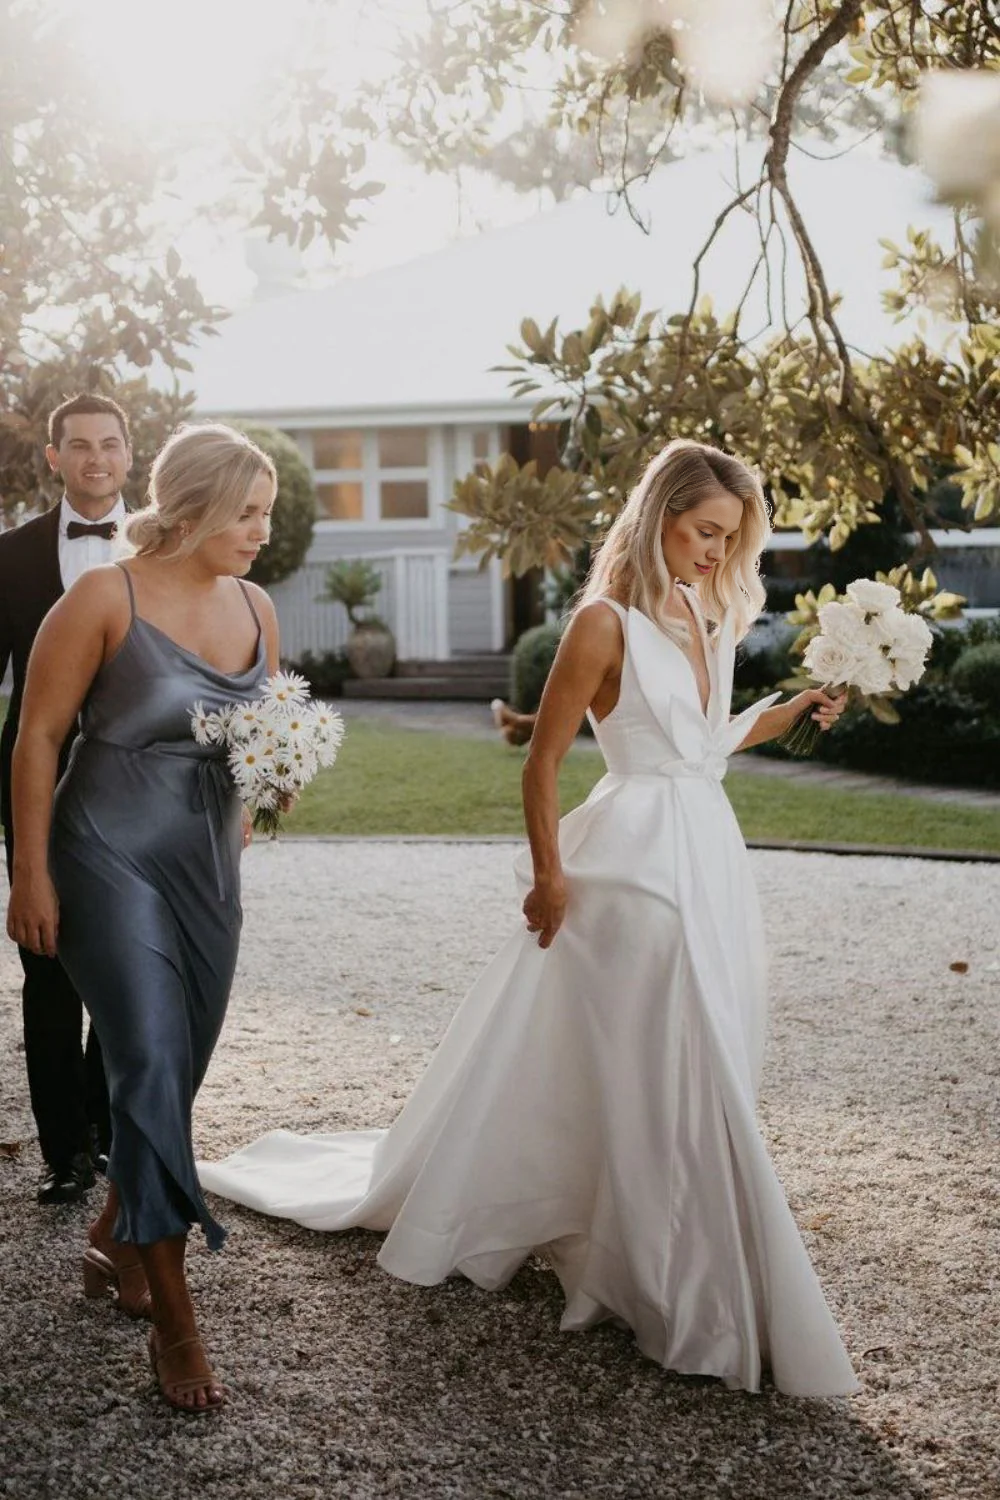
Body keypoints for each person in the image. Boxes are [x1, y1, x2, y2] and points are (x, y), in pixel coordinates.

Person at [200, 438, 858, 1396]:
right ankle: (683, 1280)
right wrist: (550, 877)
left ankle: (643, 1239)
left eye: (731, 538)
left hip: (709, 849)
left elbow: (709, 742)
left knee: (691, 1041)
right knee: (683, 1050)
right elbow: (541, 762)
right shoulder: (604, 623)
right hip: (632, 864)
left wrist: (789, 708)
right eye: (705, 531)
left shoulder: (702, 608)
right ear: (660, 515)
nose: (717, 553)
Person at [6, 423, 279, 1413]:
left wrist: (267, 792)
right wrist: (28, 874)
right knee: (152, 1063)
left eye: (266, 514)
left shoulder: (257, 605)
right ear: (197, 505)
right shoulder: (100, 598)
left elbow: (262, 731)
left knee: (181, 1067)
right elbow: (37, 739)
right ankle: (174, 1317)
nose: (260, 532)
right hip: (104, 859)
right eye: (247, 513)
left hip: (207, 868)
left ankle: (114, 1237)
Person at [0, 392, 133, 1205]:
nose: (94, 459)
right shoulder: (9, 556)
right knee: (47, 964)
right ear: (53, 457)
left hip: (134, 786)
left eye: (109, 444)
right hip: (35, 783)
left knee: (121, 964)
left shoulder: (170, 547)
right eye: (78, 446)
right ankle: (63, 1153)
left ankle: (111, 1134)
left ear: (130, 454)